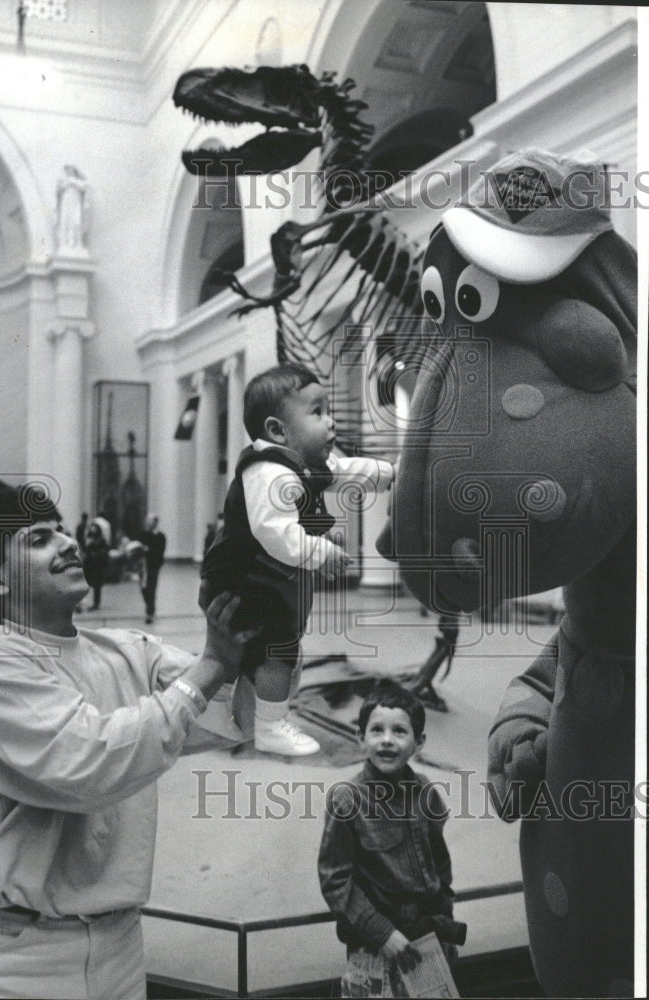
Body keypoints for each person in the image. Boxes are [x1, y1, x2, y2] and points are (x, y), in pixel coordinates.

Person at [0, 487, 256, 1000]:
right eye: (39, 540)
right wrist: (214, 665)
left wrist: (267, 618)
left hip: (120, 949)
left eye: (61, 529)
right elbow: (89, 765)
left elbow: (245, 714)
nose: (66, 543)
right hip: (15, 961)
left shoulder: (127, 651)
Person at [201, 363, 394, 756]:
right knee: (278, 650)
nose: (331, 423)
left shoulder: (301, 463)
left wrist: (392, 474)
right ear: (277, 430)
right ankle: (271, 725)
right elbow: (273, 531)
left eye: (329, 411)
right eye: (318, 412)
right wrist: (319, 551)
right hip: (243, 580)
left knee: (258, 652)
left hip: (262, 578)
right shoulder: (270, 472)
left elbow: (346, 469)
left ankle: (225, 711)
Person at [318, 681, 466, 998]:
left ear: (419, 741)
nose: (387, 740)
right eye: (376, 731)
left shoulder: (426, 792)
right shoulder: (347, 799)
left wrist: (445, 927)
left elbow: (440, 869)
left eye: (400, 731)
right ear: (360, 737)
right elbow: (335, 880)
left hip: (428, 940)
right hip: (374, 948)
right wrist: (383, 934)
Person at [136, 513, 166, 624]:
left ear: (155, 523)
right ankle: (149, 607)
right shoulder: (142, 534)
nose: (148, 523)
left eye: (150, 521)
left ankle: (150, 612)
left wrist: (148, 550)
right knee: (143, 588)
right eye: (147, 520)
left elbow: (159, 552)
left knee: (151, 588)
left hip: (153, 566)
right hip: (143, 566)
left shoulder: (161, 536)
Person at [82, 519, 109, 610]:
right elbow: (85, 549)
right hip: (89, 565)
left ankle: (96, 603)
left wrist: (97, 553)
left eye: (95, 528)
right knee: (87, 584)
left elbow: (105, 551)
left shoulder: (101, 540)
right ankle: (84, 603)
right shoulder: (89, 539)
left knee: (97, 585)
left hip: (97, 565)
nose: (93, 530)